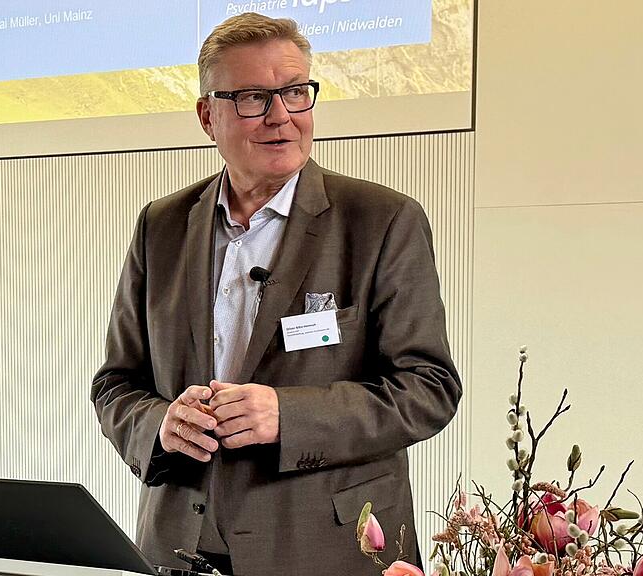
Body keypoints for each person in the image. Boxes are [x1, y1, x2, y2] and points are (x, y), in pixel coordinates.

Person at [91, 12, 461, 576]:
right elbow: (117, 383)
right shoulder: (160, 226)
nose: (281, 116)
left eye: (294, 92)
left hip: (327, 550)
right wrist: (160, 426)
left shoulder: (382, 221)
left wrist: (288, 415)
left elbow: (428, 387)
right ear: (207, 116)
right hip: (180, 545)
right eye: (252, 98)